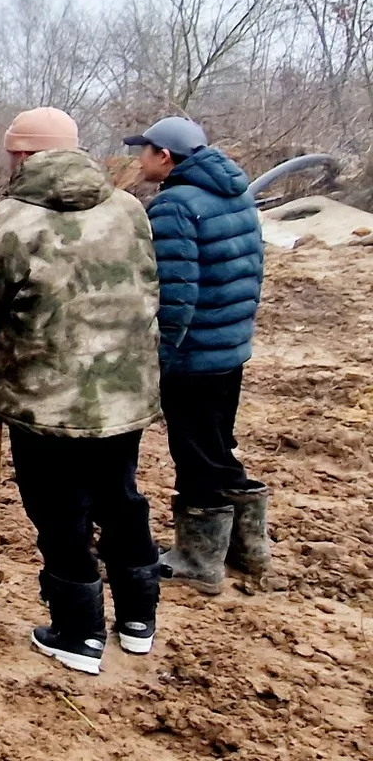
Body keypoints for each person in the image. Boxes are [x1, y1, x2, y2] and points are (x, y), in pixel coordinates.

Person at [0, 107, 164, 675]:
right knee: (121, 497)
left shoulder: (9, 222)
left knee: (61, 508)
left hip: (46, 398)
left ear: (21, 156)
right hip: (123, 390)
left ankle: (78, 633)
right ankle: (138, 620)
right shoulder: (130, 208)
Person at [123, 117, 268, 594]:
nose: (137, 160)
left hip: (194, 356)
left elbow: (176, 296)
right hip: (230, 349)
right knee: (217, 445)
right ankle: (248, 549)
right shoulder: (237, 193)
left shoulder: (173, 206)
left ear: (164, 155)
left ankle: (199, 560)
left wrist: (160, 357)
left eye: (143, 151)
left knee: (195, 453)